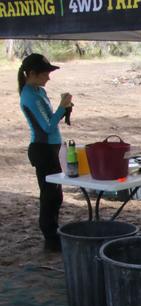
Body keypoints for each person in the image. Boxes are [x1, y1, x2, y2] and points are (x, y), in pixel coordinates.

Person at [19, 53, 73, 252]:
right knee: (49, 195)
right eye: (45, 74)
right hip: (42, 150)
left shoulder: (37, 90)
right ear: (32, 73)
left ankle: (53, 233)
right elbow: (48, 126)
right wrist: (62, 108)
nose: (48, 78)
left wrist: (63, 109)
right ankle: (50, 237)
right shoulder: (29, 95)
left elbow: (49, 120)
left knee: (56, 194)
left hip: (51, 148)